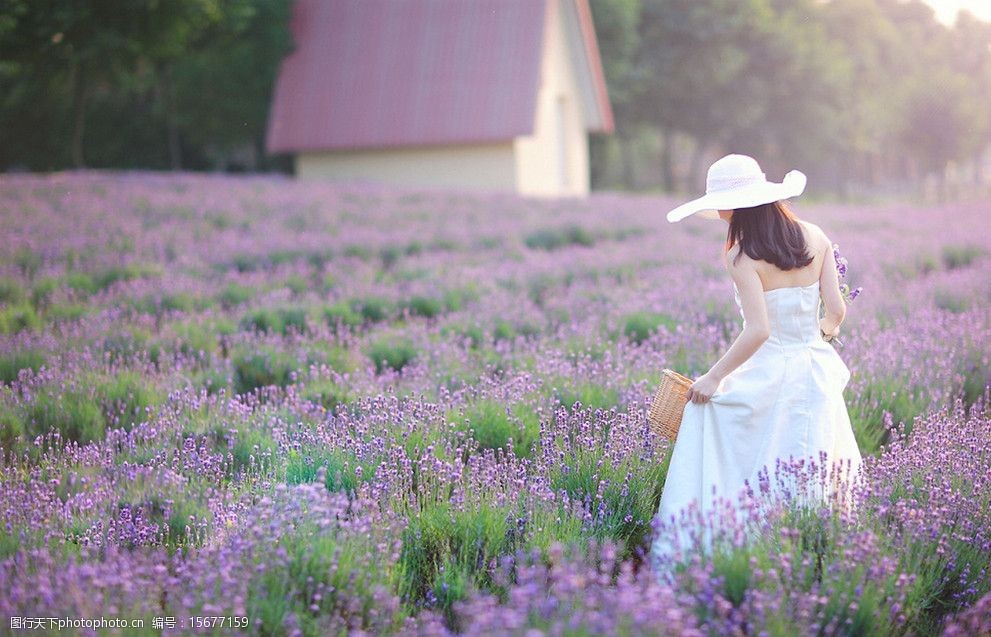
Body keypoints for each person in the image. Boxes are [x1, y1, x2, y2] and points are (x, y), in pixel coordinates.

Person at [649, 154, 863, 576]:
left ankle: (741, 550)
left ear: (737, 205)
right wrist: (816, 337)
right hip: (815, 371)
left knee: (725, 436)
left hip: (769, 372)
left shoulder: (742, 256)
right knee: (811, 461)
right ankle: (815, 559)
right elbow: (836, 311)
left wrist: (712, 377)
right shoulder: (815, 237)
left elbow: (758, 331)